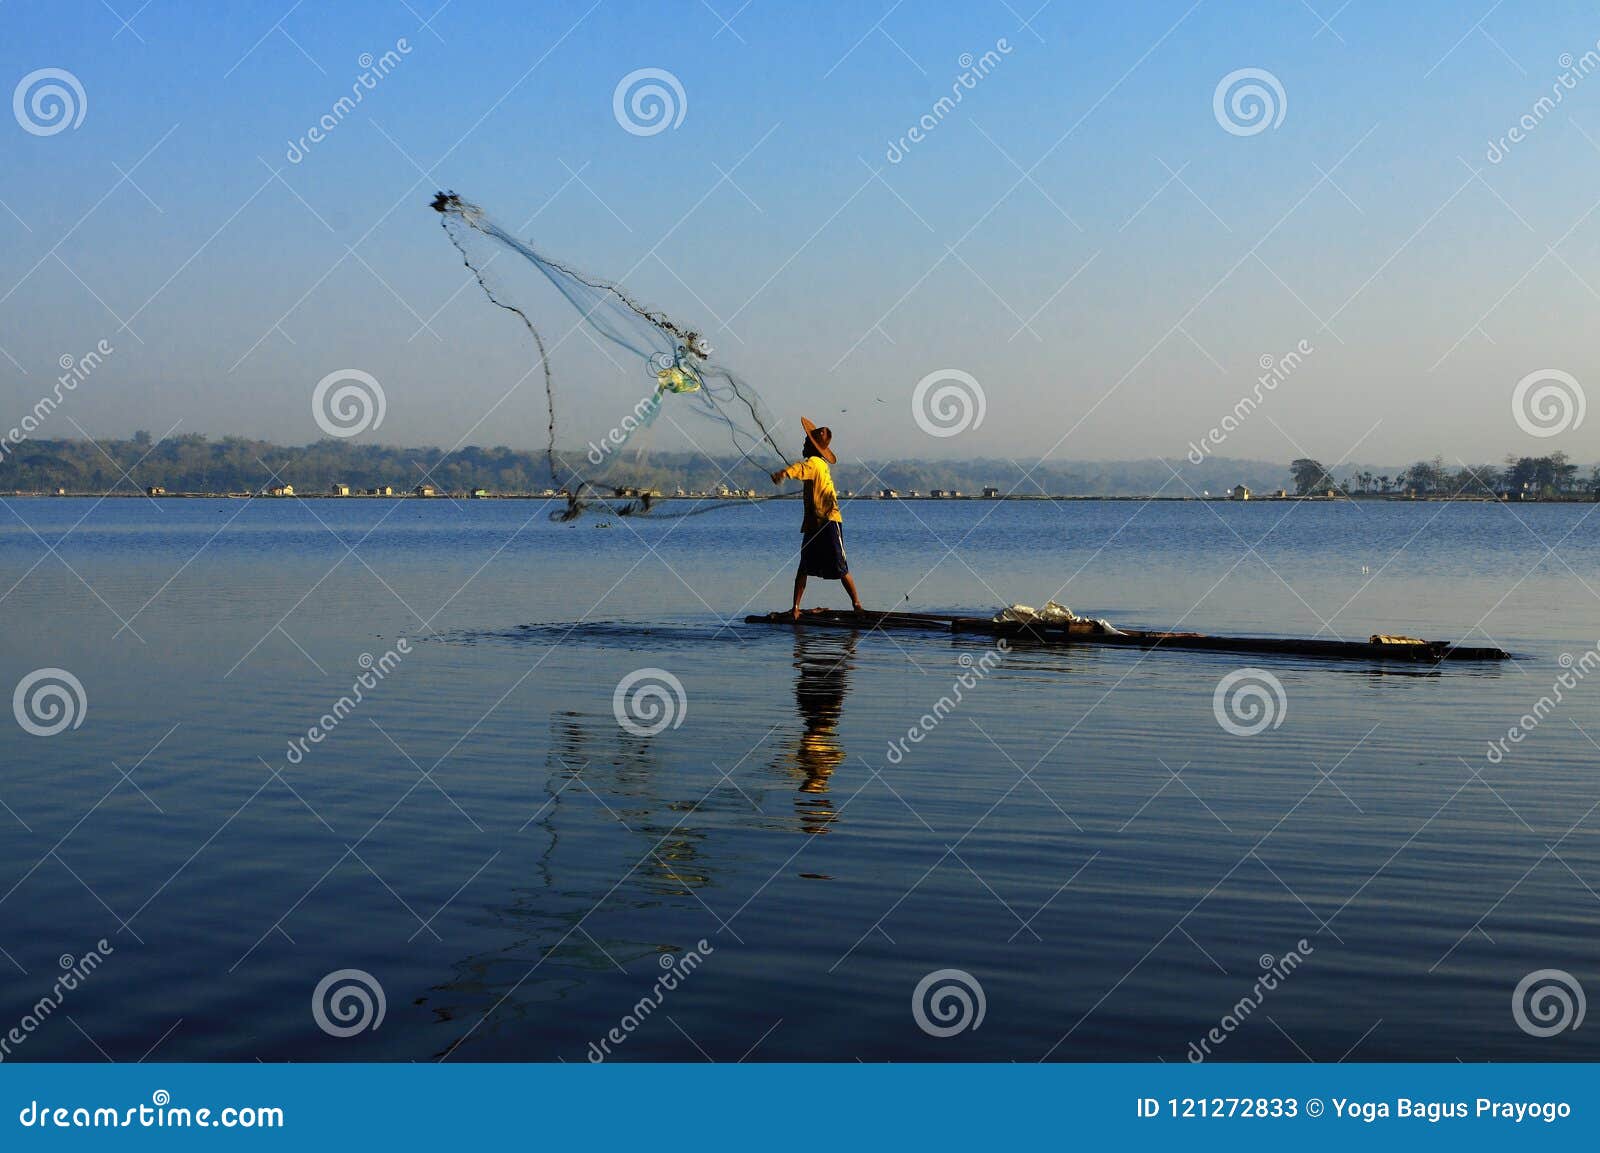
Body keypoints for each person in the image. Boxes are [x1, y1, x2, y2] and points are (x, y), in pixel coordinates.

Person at [770, 417, 863, 619]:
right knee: (804, 565)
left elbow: (799, 469)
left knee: (839, 565)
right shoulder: (817, 464)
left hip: (828, 521)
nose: (803, 444)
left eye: (807, 442)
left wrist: (783, 473)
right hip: (815, 522)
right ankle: (795, 608)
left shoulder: (813, 463)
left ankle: (857, 606)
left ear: (813, 447)